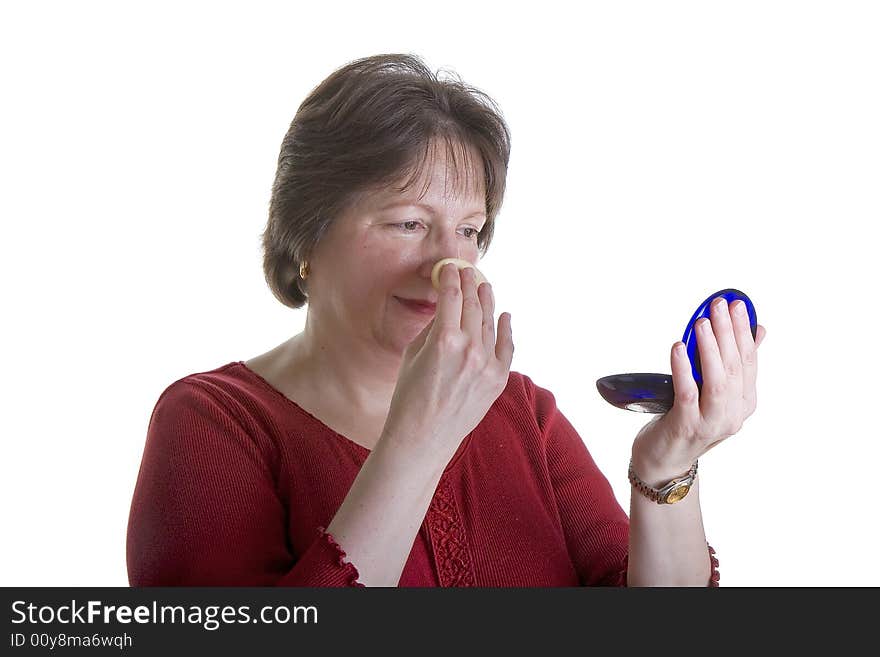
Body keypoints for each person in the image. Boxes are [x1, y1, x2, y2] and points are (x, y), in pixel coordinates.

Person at [126, 53, 767, 587]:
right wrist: (423, 437)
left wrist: (667, 469)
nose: (450, 267)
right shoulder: (214, 421)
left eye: (468, 231)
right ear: (305, 235)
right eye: (408, 224)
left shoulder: (523, 413)